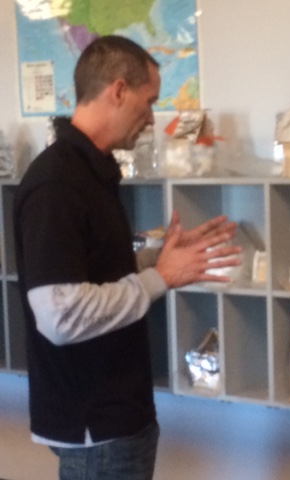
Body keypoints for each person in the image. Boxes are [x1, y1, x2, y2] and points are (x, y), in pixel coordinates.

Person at [13, 35, 241, 480]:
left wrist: (158, 261)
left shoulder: (90, 171)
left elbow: (93, 272)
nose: (152, 118)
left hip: (120, 418)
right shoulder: (57, 183)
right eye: (149, 101)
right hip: (96, 429)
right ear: (118, 90)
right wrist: (160, 278)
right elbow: (60, 316)